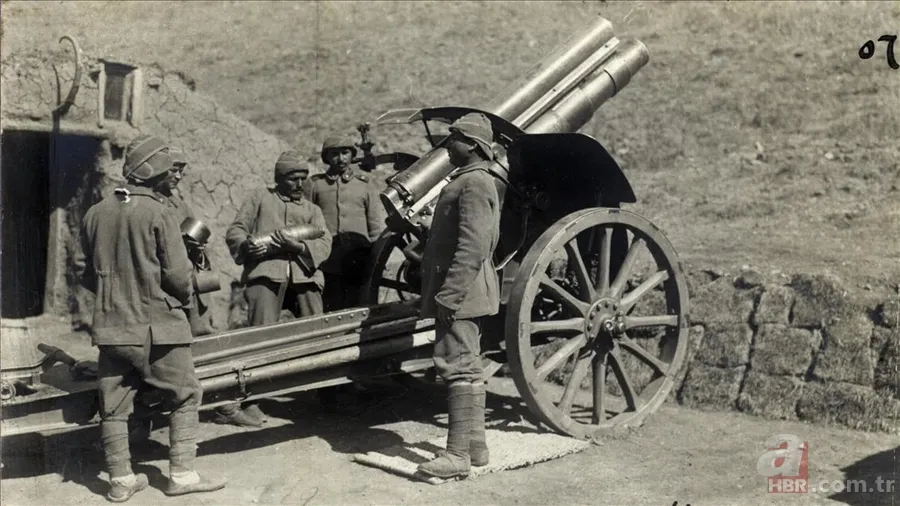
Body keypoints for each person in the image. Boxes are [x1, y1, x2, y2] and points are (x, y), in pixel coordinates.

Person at [74, 134, 227, 502]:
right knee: (186, 395)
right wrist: (186, 294)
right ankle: (182, 476)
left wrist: (114, 296)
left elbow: (83, 270)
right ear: (154, 170)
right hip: (158, 328)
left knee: (113, 405)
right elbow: (177, 276)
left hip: (112, 329)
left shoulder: (94, 213)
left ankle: (121, 481)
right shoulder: (160, 213)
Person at [416, 113, 501, 480]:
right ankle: (476, 447)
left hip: (461, 293)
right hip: (465, 291)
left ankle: (456, 456)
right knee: (468, 363)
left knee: (457, 366)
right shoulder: (471, 180)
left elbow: (473, 246)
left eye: (454, 138)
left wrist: (449, 295)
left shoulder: (475, 183)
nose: (447, 143)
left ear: (473, 145)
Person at [164, 147, 264, 428]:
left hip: (188, 285)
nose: (178, 175)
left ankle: (222, 405)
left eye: (181, 170)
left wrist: (196, 249)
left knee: (205, 339)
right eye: (173, 169)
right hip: (162, 290)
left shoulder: (177, 202)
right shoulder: (145, 205)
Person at [226, 151, 332, 324]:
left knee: (315, 326)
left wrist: (299, 247)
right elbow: (236, 230)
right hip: (265, 274)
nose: (300, 184)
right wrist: (245, 246)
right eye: (293, 179)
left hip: (306, 275)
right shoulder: (259, 198)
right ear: (279, 179)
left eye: (303, 178)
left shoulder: (313, 210)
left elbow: (325, 241)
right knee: (262, 330)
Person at [304, 134, 386, 312]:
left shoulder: (364, 185)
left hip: (359, 256)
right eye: (334, 154)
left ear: (351, 155)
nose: (340, 158)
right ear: (326, 157)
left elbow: (374, 226)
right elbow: (307, 221)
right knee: (330, 303)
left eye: (345, 153)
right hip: (327, 256)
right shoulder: (315, 185)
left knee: (359, 303)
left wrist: (376, 255)